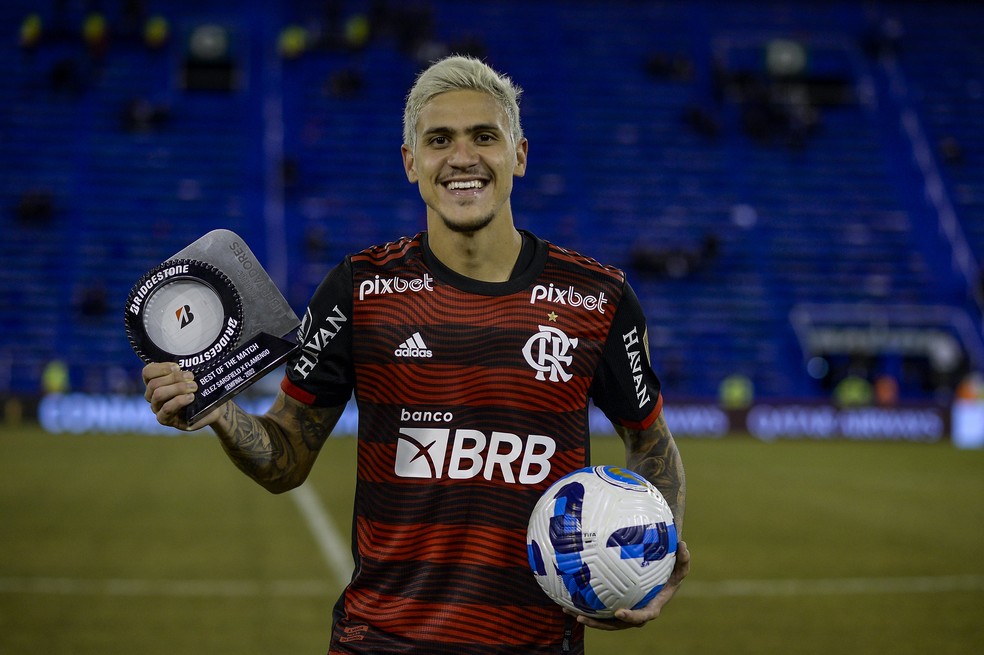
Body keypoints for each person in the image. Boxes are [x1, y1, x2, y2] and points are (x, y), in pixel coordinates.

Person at [142, 54, 689, 654]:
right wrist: (223, 414)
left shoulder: (597, 298)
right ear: (412, 163)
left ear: (520, 155)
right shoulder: (358, 289)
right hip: (378, 641)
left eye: (485, 136)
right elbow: (287, 457)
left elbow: (652, 443)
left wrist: (650, 551)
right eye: (439, 140)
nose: (462, 158)